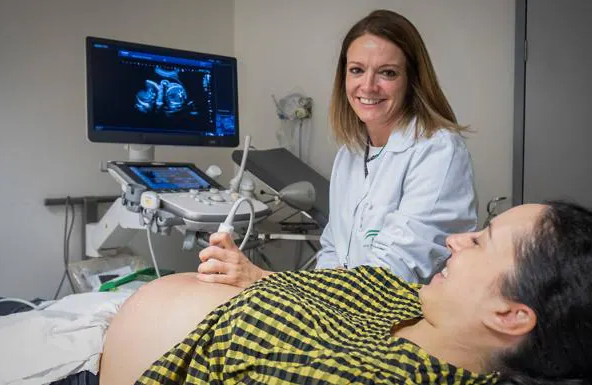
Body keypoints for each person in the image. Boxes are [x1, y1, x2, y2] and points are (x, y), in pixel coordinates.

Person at [100, 200, 592, 385]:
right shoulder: (400, 294)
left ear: (509, 315)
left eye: (481, 241)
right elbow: (311, 291)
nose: (454, 240)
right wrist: (251, 275)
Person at [196, 9, 477, 288]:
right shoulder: (351, 153)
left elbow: (392, 276)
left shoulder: (438, 150)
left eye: (387, 73)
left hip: (409, 319)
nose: (368, 86)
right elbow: (333, 248)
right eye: (357, 70)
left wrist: (261, 278)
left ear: (411, 81)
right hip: (346, 310)